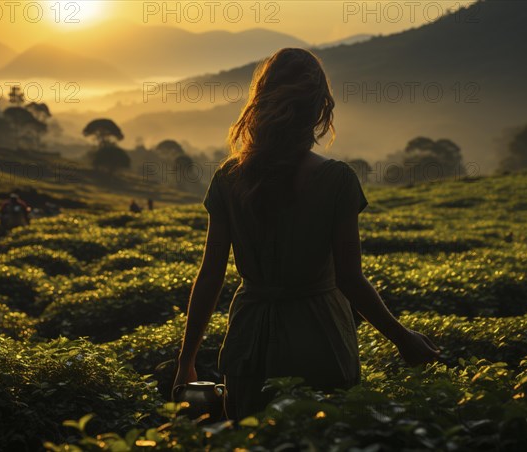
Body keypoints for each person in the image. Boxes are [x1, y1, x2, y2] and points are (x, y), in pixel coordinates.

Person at [173, 48, 441, 422]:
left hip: (249, 344)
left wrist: (187, 361)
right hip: (321, 339)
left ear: (260, 103)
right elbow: (350, 279)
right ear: (319, 109)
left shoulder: (228, 179)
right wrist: (403, 339)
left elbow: (210, 276)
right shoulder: (337, 180)